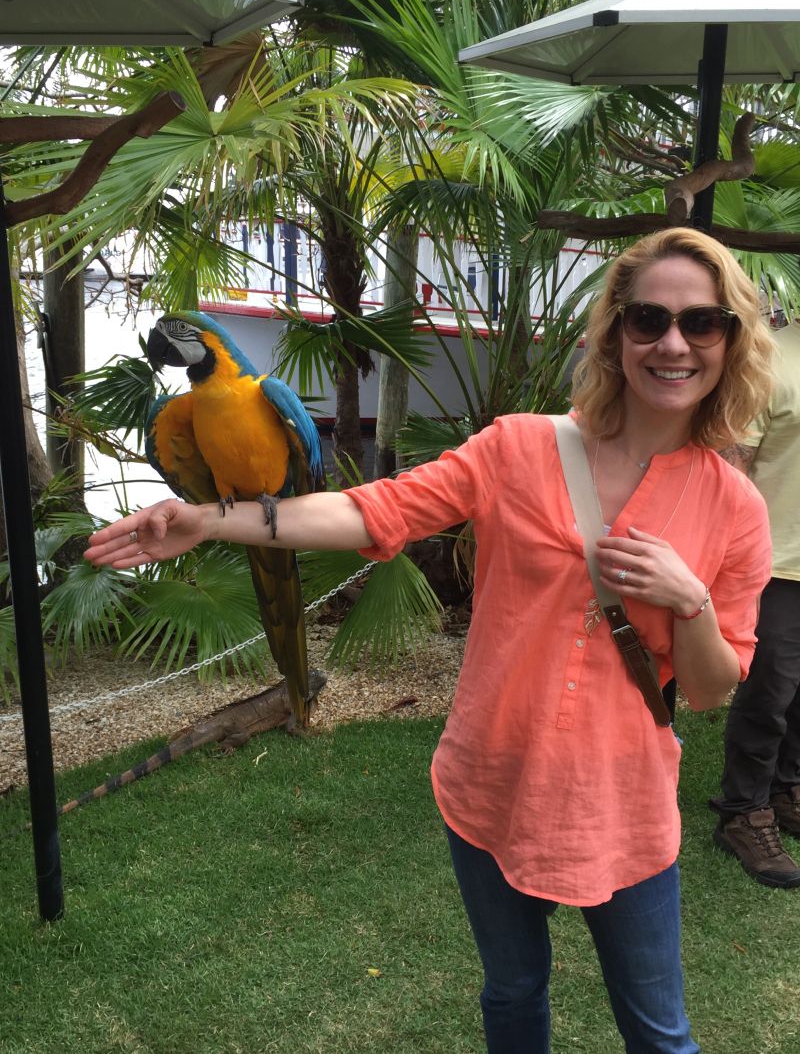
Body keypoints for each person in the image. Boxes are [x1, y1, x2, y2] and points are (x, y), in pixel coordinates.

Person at [85, 227, 774, 1054]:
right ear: (614, 333)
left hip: (621, 805)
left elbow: (710, 688)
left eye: (701, 323)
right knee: (513, 993)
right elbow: (375, 510)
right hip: (489, 782)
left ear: (730, 340)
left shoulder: (735, 508)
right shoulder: (520, 446)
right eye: (648, 319)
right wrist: (207, 518)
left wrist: (689, 600)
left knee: (659, 1030)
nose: (672, 343)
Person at [710, 320, 800, 889]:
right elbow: (732, 463)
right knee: (769, 693)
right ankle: (743, 812)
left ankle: (787, 789)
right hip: (777, 564)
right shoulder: (771, 357)